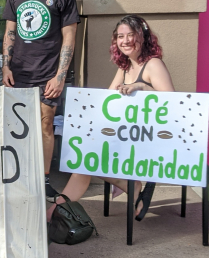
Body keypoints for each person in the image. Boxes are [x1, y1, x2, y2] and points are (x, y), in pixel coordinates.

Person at [47, 15, 174, 222]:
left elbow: (173, 104)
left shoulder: (153, 65)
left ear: (143, 36)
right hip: (125, 135)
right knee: (83, 154)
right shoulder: (125, 68)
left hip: (148, 140)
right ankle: (127, 185)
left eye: (130, 35)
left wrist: (141, 87)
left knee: (85, 158)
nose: (125, 41)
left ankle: (52, 213)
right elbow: (108, 100)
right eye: (120, 36)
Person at [2, 0, 80, 198]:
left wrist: (60, 76)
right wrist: (6, 67)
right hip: (20, 74)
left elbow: (69, 37)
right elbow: (9, 33)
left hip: (49, 74)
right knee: (18, 128)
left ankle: (45, 180)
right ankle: (21, 176)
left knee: (46, 127)